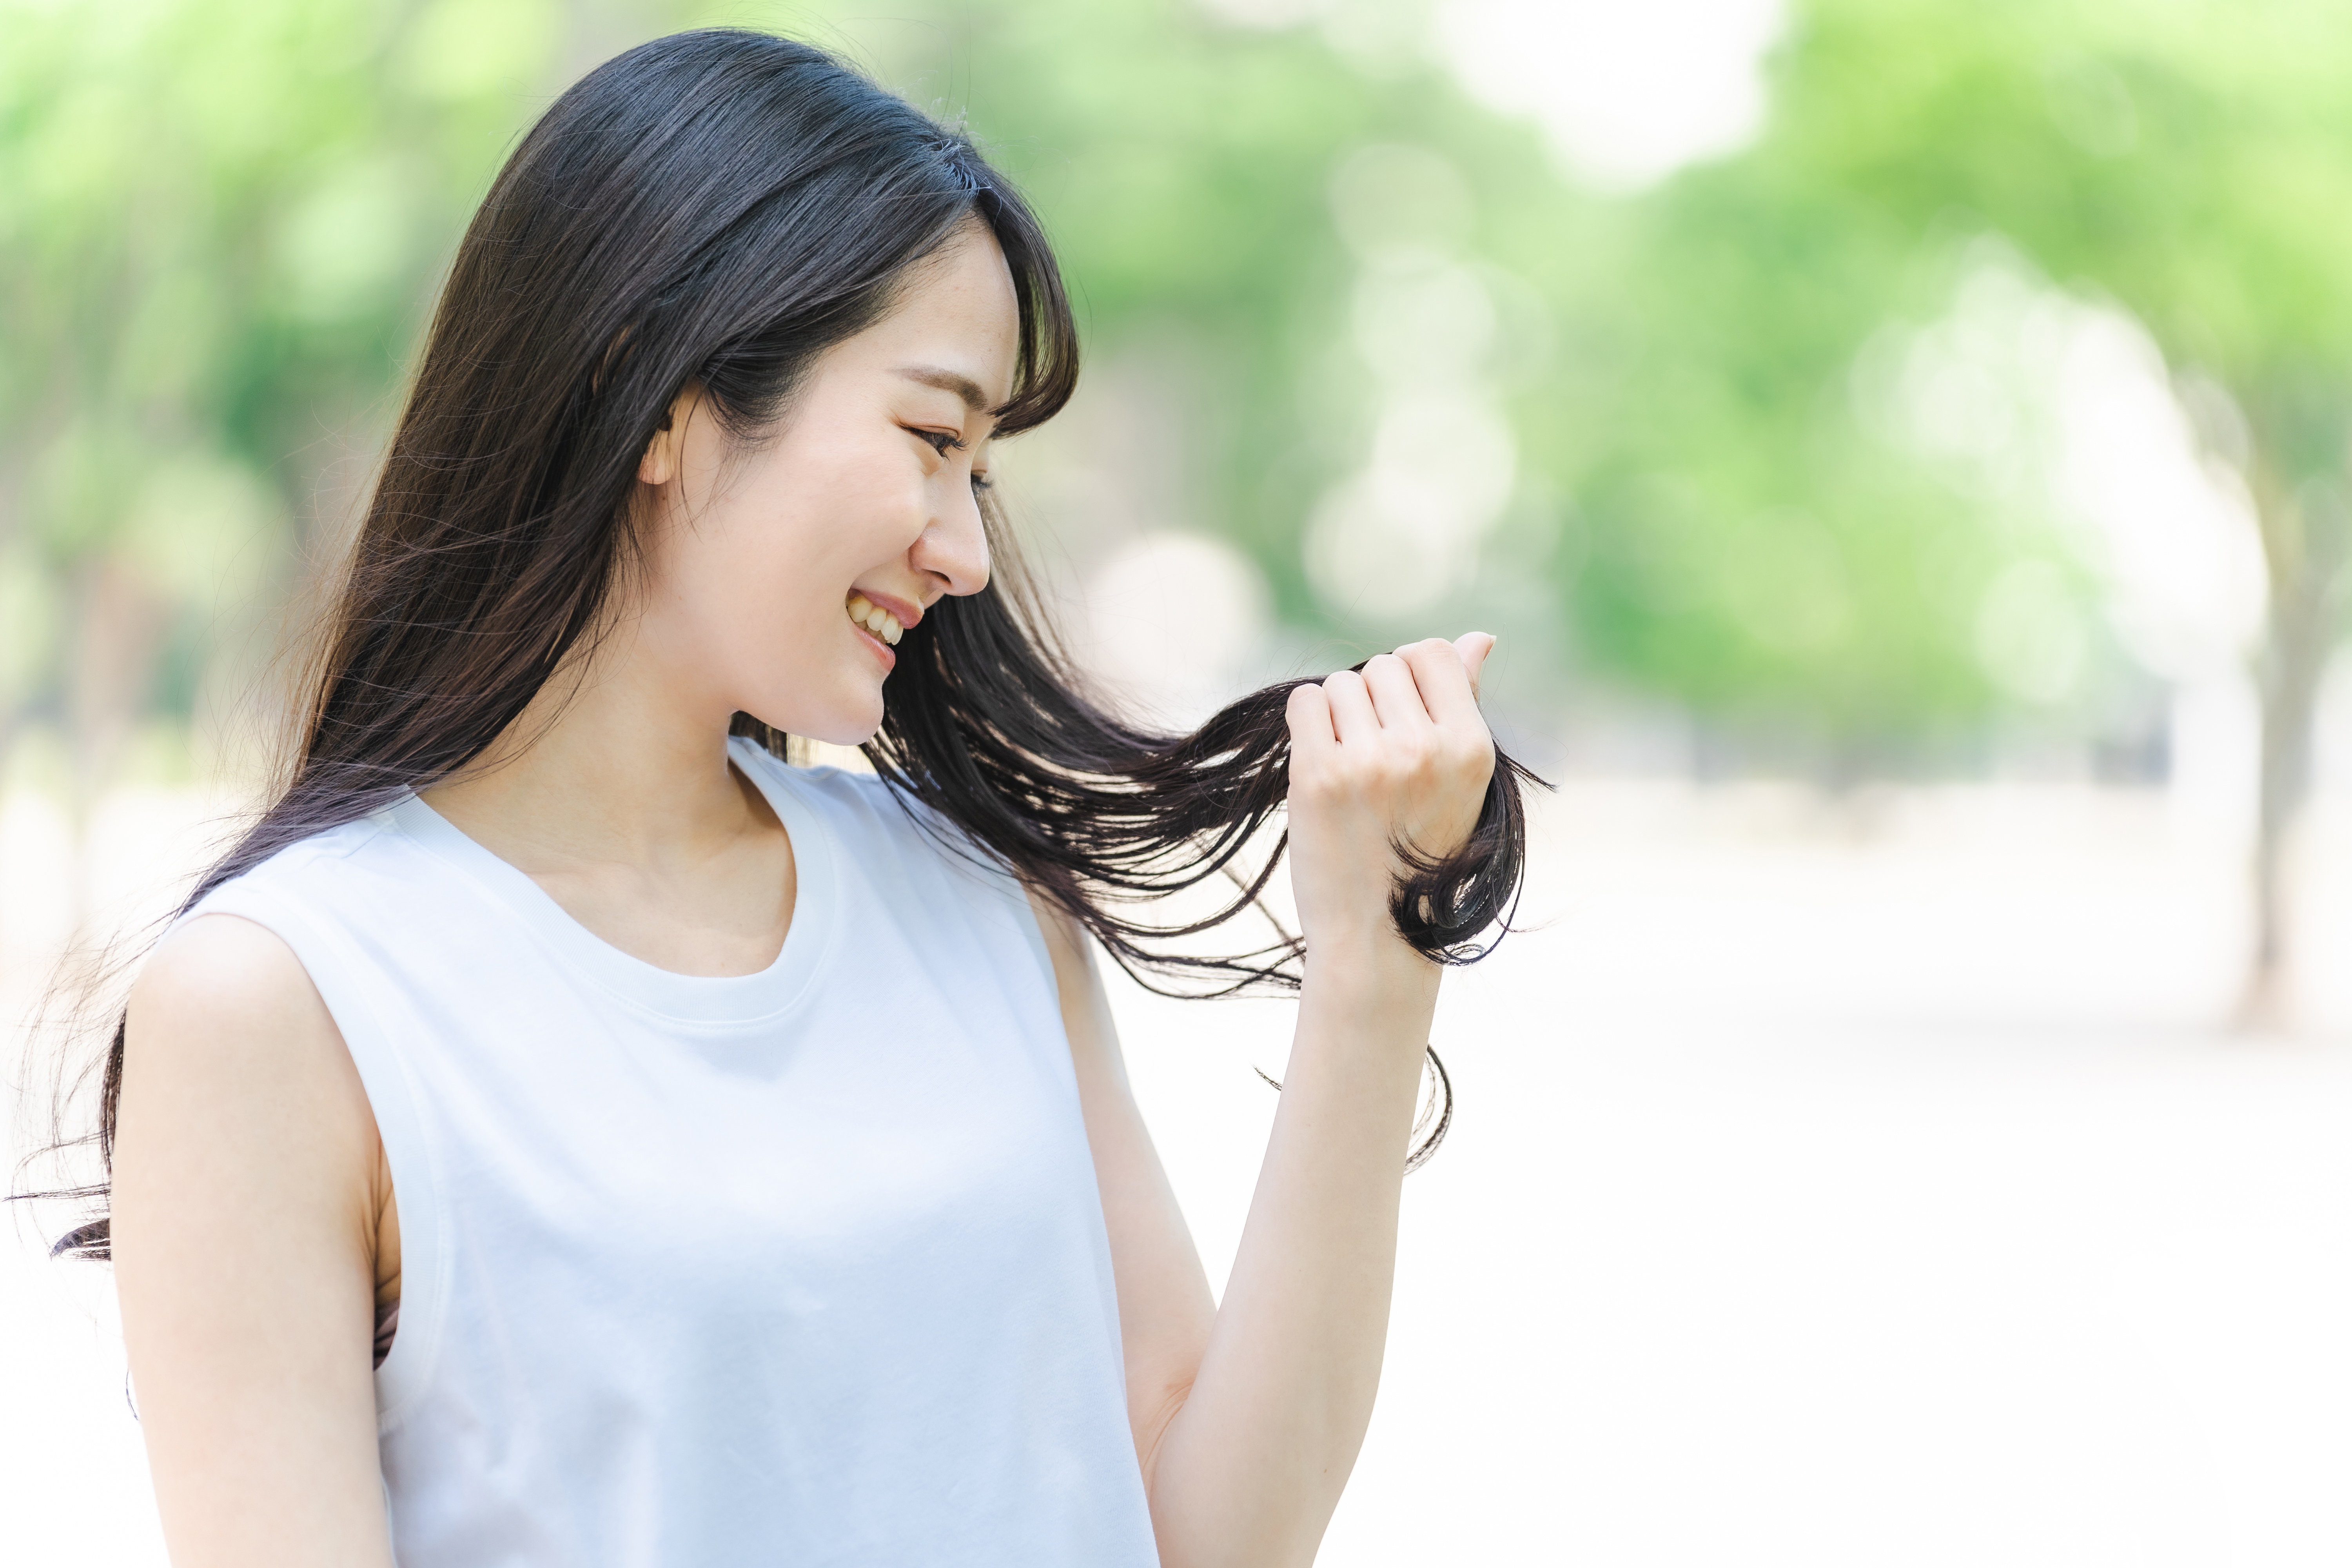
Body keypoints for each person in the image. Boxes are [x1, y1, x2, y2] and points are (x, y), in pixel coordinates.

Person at [92, 28, 1523, 1567]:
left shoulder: (982, 903)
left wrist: (1376, 972)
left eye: (980, 470)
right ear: (665, 398)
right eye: (930, 437)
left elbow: (1209, 1539)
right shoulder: (284, 1004)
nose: (966, 548)